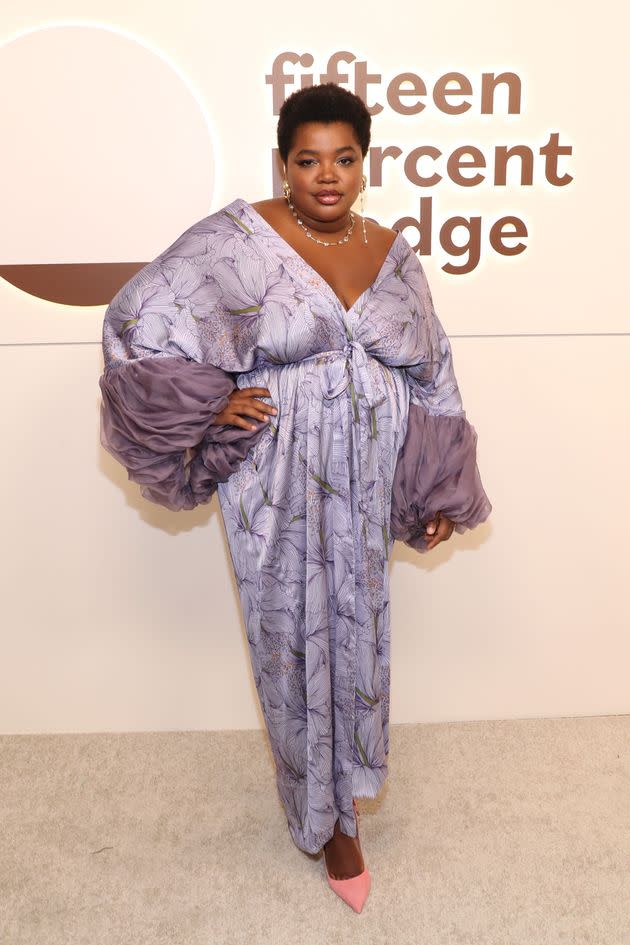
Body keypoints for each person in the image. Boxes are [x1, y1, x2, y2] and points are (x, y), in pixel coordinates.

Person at [98, 82, 492, 913]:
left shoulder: (391, 251)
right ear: (281, 163)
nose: (327, 175)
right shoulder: (238, 242)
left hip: (370, 468)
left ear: (364, 163)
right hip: (276, 472)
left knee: (359, 628)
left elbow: (433, 368)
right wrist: (212, 405)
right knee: (290, 633)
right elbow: (139, 317)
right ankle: (327, 819)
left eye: (344, 158)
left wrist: (433, 480)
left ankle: (345, 792)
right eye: (307, 159)